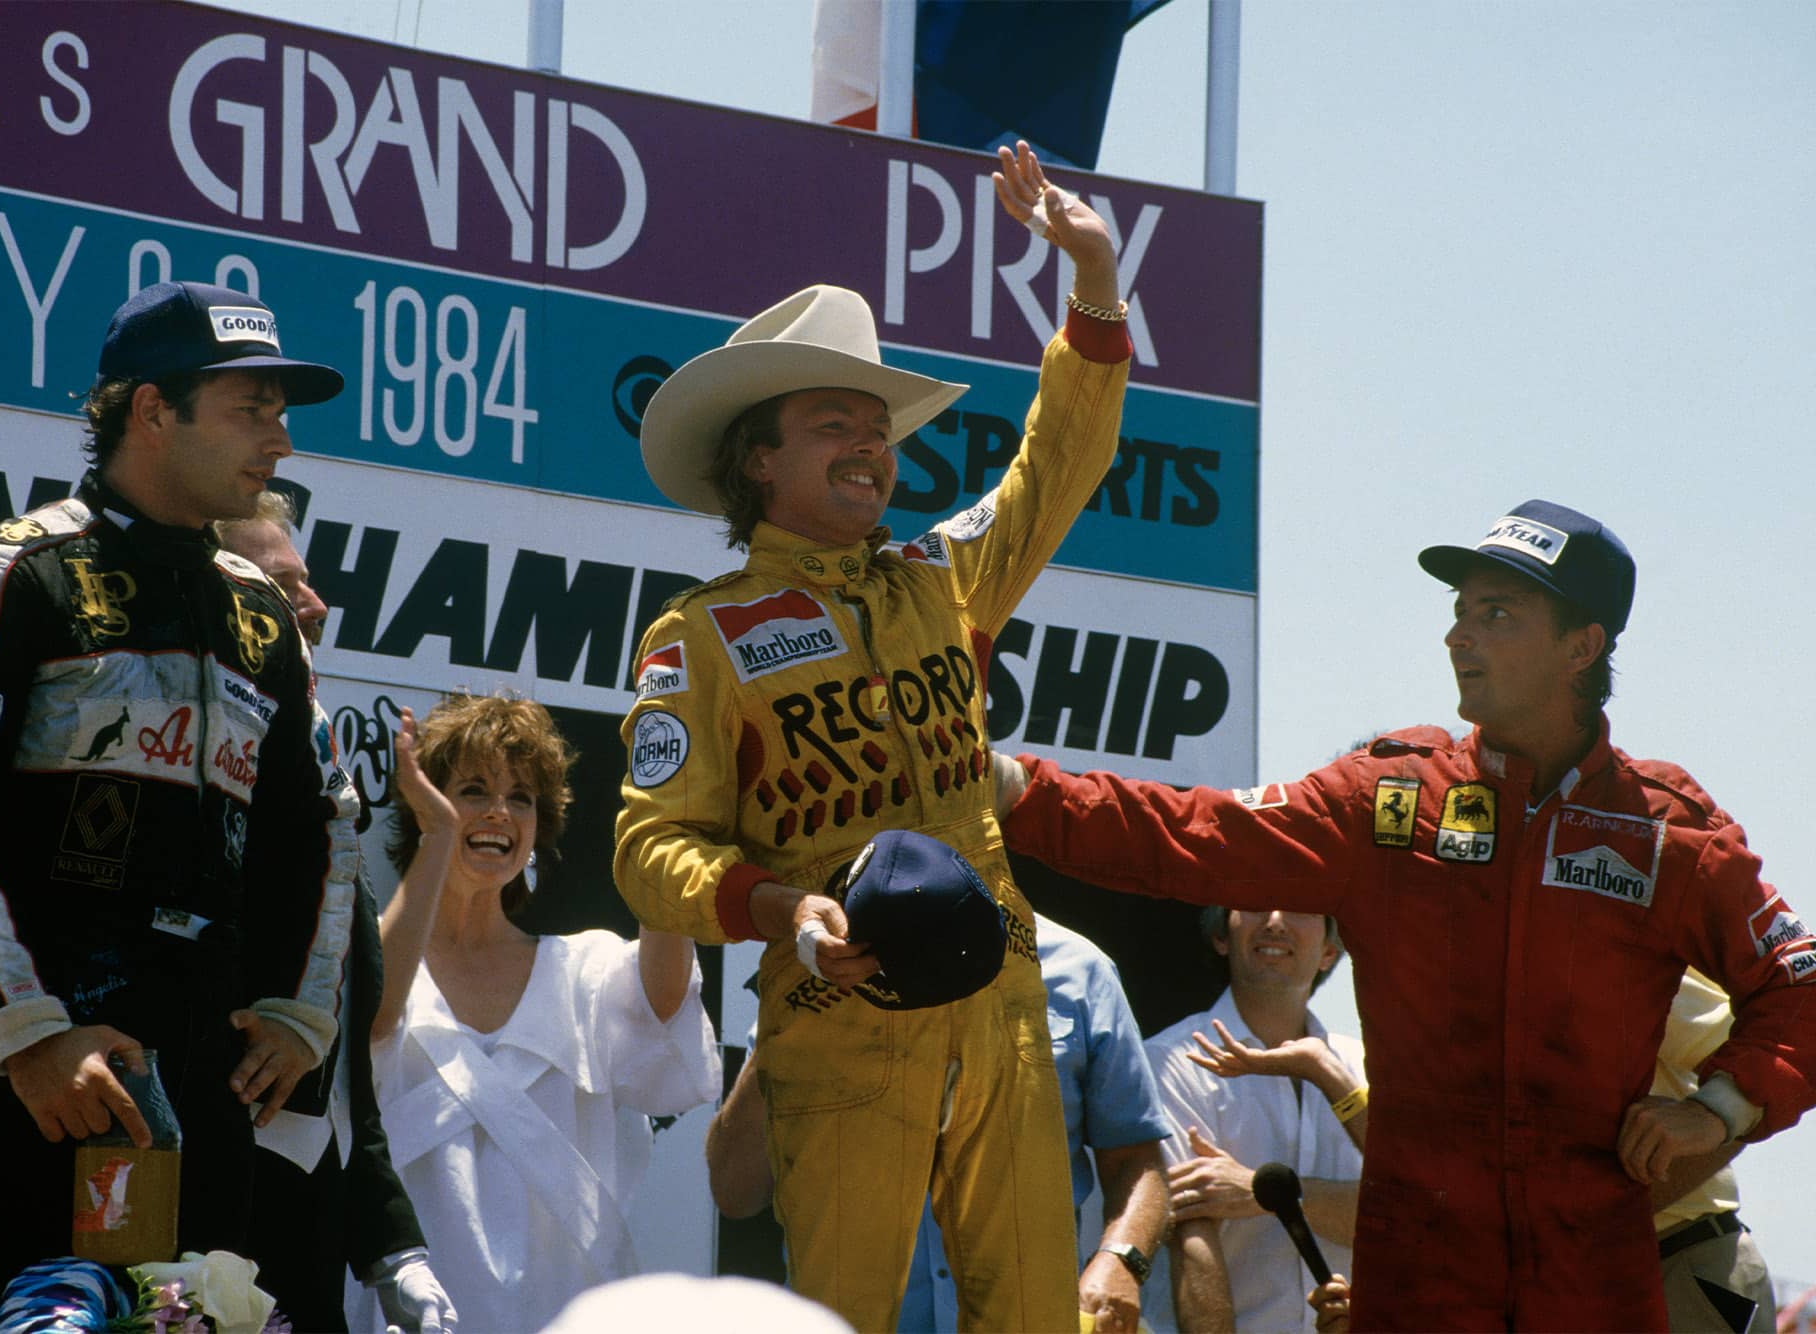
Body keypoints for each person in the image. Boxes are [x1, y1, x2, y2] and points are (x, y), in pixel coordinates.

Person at [997, 499, 1816, 1329]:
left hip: (1594, 1290)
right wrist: (1015, 791)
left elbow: (1803, 984)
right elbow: (1188, 831)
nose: (1458, 636)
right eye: (1461, 612)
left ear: (1583, 646)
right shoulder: (1389, 795)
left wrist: (1720, 1109)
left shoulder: (1664, 831)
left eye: (1497, 614)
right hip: (1416, 1289)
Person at [612, 139, 1132, 1331]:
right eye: (831, 423)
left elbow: (1061, 458)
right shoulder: (699, 635)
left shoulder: (939, 577)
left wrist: (1093, 278)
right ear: (758, 458)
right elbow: (648, 850)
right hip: (830, 1010)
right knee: (839, 1317)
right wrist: (780, 907)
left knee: (1033, 1318)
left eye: (877, 426)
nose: (867, 444)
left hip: (1000, 996)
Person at [0, 281, 359, 1328]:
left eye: (282, 413)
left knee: (199, 1316)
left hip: (206, 1076)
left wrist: (297, 1013)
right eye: (251, 409)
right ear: (151, 409)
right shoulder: (10, 574)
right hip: (50, 1071)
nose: (281, 441)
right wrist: (26, 1032)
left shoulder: (258, 613)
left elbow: (318, 828)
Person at [352, 691, 719, 1331]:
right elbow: (373, 1019)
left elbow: (664, 1016)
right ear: (423, 806)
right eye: (473, 790)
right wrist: (440, 837)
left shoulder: (585, 969)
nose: (500, 811)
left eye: (521, 797)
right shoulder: (381, 957)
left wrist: (664, 830)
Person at [704, 913, 1175, 1333]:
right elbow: (734, 1191)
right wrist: (783, 1025)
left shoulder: (1077, 968)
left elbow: (1137, 1161)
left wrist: (1120, 1261)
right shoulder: (814, 972)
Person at [217, 495, 450, 1333]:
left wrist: (393, 1249)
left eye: (307, 584)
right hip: (192, 1228)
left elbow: (344, 1067)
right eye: (283, 588)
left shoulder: (318, 793)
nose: (315, 607)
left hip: (310, 1255)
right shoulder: (174, 786)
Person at [1136, 906, 1363, 1334]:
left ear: (1330, 951)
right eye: (1255, 901)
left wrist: (1261, 1192)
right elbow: (1192, 1231)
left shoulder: (1365, 1067)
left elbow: (1404, 1214)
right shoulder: (1169, 1061)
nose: (1275, 920)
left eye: (1300, 906)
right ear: (1221, 937)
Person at [1650, 968, 1776, 1333]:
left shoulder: (1619, 957)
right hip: (1580, 1272)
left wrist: (1619, 1207)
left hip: (1683, 1261)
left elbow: (1761, 1080)